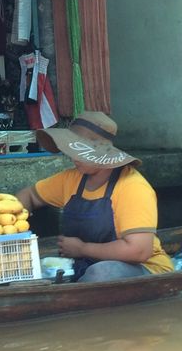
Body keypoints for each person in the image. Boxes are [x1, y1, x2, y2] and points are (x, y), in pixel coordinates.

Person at [15, 111, 173, 283]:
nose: (73, 157)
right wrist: (14, 226)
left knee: (102, 272)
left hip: (145, 270)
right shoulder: (71, 179)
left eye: (79, 151)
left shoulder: (133, 187)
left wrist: (82, 249)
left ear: (103, 152)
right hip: (86, 264)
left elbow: (139, 250)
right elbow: (29, 194)